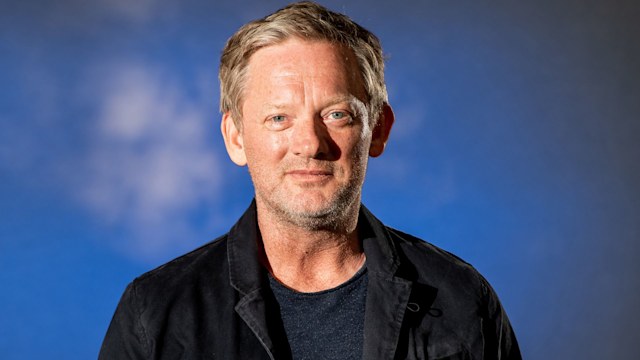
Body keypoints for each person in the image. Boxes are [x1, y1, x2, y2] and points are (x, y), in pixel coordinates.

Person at [99, 1, 521, 359]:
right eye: (279, 118)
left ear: (378, 129)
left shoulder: (461, 299)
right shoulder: (155, 313)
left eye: (337, 114)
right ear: (236, 138)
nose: (309, 143)